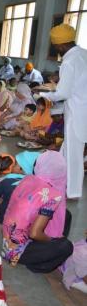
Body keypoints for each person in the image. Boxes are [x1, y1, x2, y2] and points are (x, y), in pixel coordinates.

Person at [3, 151, 73, 273]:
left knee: (65, 215)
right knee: (66, 246)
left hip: (6, 239)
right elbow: (34, 234)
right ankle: (39, 265)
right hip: (16, 253)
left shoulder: (28, 178)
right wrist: (53, 240)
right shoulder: (53, 195)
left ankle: (50, 249)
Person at [41, 24, 87, 199]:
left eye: (55, 46)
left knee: (74, 155)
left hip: (77, 113)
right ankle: (57, 180)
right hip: (82, 108)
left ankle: (72, 192)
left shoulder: (68, 61)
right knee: (66, 152)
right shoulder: (84, 54)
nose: (56, 49)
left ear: (60, 45)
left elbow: (64, 93)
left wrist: (44, 94)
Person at [0, 151, 40, 223]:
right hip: (24, 223)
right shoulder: (37, 185)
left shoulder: (7, 182)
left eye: (15, 163)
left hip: (5, 219)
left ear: (21, 169)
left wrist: (5, 204)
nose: (12, 164)